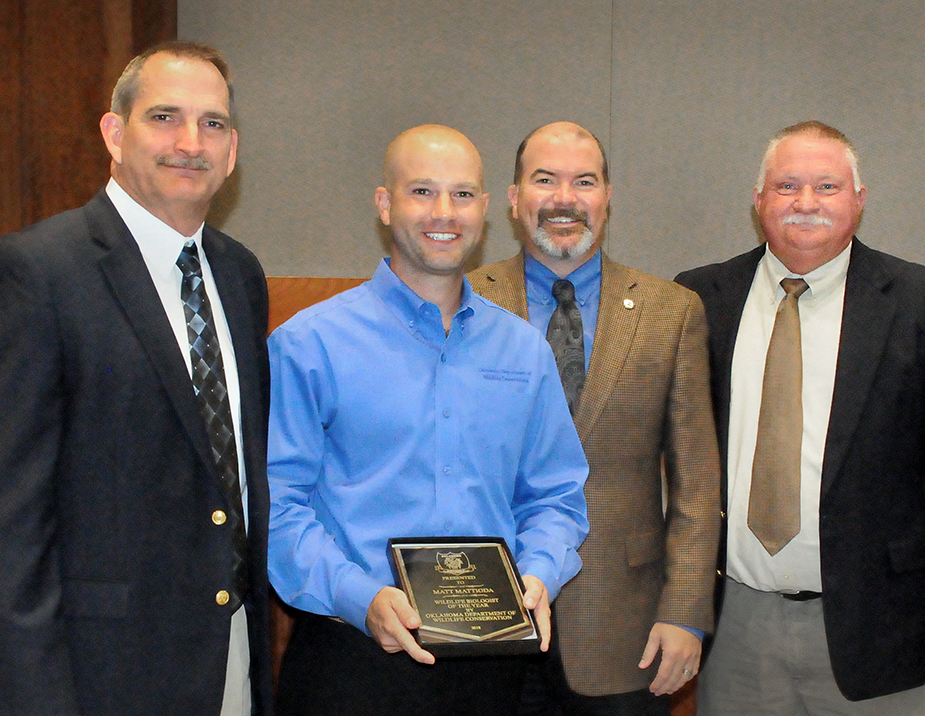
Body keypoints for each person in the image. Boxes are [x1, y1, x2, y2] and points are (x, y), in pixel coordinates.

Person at [267, 124, 589, 716]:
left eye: (463, 194)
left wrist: (538, 573)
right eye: (422, 192)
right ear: (385, 204)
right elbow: (277, 509)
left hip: (495, 669)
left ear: (487, 210)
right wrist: (359, 597)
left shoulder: (523, 351)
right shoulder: (309, 345)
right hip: (353, 661)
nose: (445, 212)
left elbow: (556, 497)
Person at [0, 42, 272, 716]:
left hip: (230, 653)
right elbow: (12, 525)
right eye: (164, 117)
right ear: (114, 134)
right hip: (99, 674)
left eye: (212, 124)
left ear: (233, 151)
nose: (190, 142)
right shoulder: (38, 274)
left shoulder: (240, 275)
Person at [469, 121, 720, 715]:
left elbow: (697, 481)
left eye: (584, 181)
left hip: (624, 622)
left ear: (608, 196)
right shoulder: (463, 301)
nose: (564, 198)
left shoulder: (671, 312)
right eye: (544, 179)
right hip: (481, 616)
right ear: (512, 198)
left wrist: (686, 611)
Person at [676, 120, 925, 714]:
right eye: (787, 186)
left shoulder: (916, 302)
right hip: (733, 623)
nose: (806, 203)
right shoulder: (699, 298)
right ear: (759, 200)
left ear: (859, 201)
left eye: (828, 187)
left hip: (880, 629)